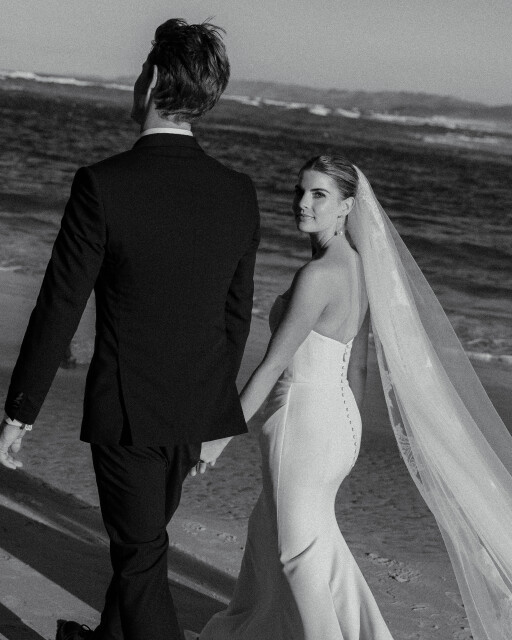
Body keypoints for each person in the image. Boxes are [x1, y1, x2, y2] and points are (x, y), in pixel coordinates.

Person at [0, 18, 259, 640]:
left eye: (141, 70)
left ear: (153, 80)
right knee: (140, 546)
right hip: (193, 410)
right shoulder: (238, 192)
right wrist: (213, 417)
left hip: (128, 412)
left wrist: (19, 413)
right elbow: (236, 314)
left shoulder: (103, 184)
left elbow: (60, 304)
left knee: (141, 558)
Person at [199, 156, 512, 640]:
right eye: (300, 191)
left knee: (296, 554)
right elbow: (357, 366)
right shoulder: (362, 269)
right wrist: (350, 433)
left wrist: (220, 436)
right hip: (338, 422)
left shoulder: (319, 275)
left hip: (303, 423)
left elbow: (273, 364)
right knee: (291, 537)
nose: (303, 203)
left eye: (319, 195)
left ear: (347, 206)